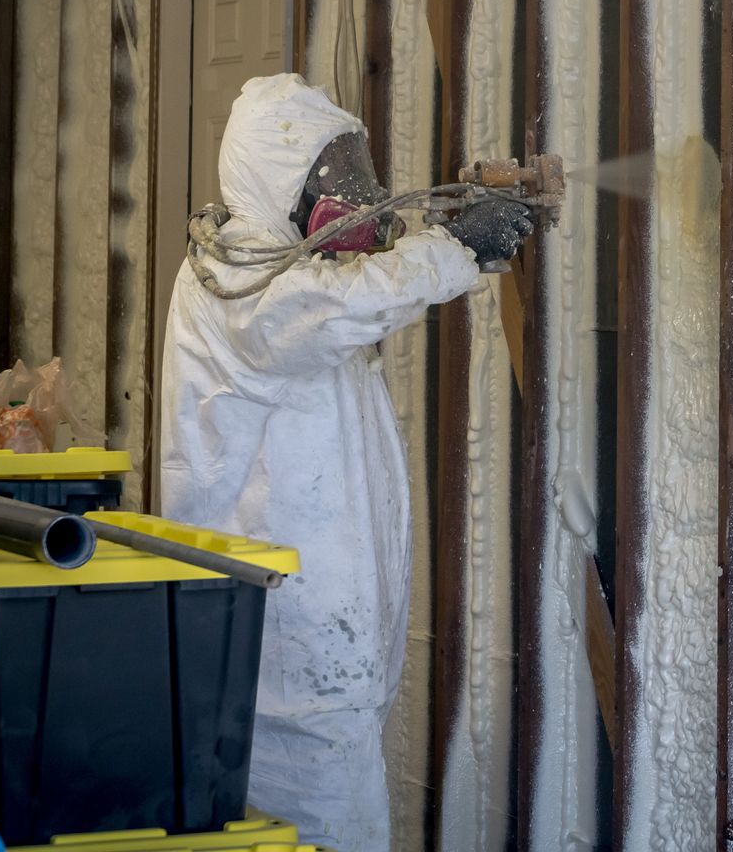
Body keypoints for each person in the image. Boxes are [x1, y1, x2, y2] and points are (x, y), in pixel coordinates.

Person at [159, 74, 531, 851]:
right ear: (275, 180)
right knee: (310, 827)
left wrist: (444, 234)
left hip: (315, 645)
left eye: (353, 170)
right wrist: (457, 245)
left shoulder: (277, 266)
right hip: (279, 654)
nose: (355, 196)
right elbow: (337, 308)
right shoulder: (239, 280)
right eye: (332, 176)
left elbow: (355, 286)